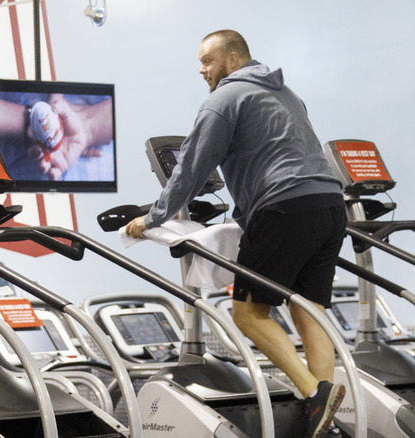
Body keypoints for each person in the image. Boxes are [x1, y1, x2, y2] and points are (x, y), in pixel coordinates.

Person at [125, 29, 346, 438]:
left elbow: (190, 168)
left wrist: (153, 218)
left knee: (248, 313)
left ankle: (314, 393)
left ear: (231, 58)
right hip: (330, 206)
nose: (202, 70)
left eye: (207, 61)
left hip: (284, 208)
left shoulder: (224, 99)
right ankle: (323, 419)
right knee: (308, 309)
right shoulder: (286, 94)